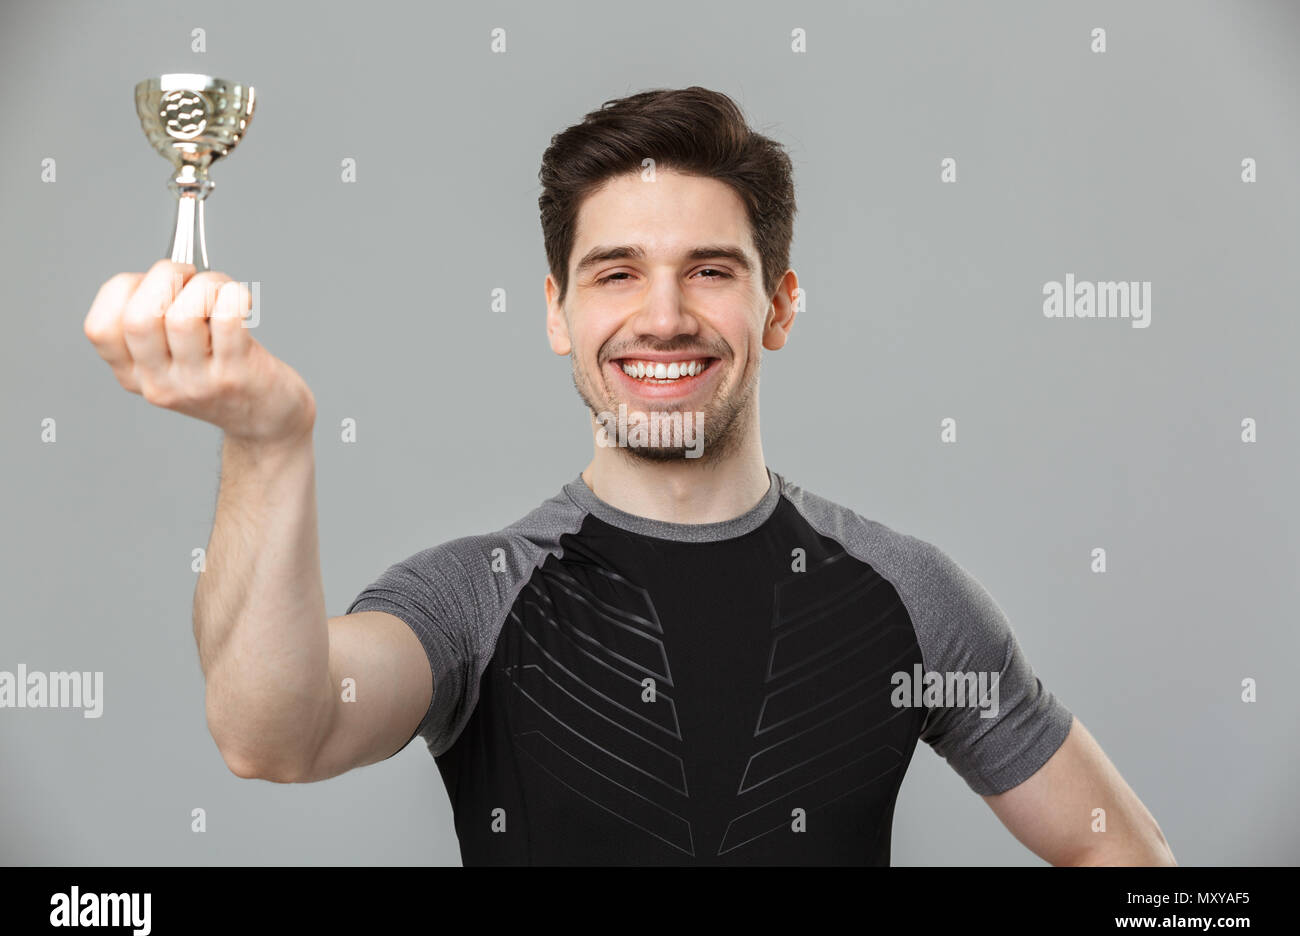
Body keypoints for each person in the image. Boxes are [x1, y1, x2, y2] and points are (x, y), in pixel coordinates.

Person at [83, 86, 1175, 866]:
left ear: (778, 305)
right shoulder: (473, 596)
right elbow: (273, 733)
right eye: (615, 273)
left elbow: (1127, 864)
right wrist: (270, 443)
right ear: (557, 310)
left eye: (709, 270)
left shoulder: (905, 593)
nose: (662, 315)